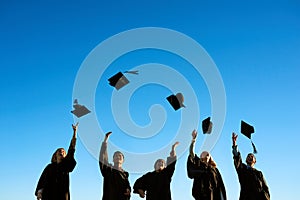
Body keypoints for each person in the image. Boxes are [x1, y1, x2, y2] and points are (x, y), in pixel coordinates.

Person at [35, 123, 78, 200]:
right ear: (55, 155)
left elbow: (71, 149)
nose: (61, 152)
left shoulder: (66, 166)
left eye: (63, 152)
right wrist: (39, 192)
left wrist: (75, 133)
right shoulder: (49, 167)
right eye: (59, 151)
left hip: (62, 195)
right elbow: (42, 180)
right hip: (49, 195)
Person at [187, 130, 227, 200]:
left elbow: (220, 185)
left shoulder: (214, 169)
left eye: (207, 154)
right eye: (203, 153)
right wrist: (193, 140)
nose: (206, 155)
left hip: (214, 196)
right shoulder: (199, 165)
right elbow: (191, 153)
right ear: (200, 157)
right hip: (202, 195)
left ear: (210, 158)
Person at [232, 132, 270, 200]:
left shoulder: (259, 173)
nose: (250, 157)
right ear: (246, 160)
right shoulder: (242, 169)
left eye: (252, 156)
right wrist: (234, 143)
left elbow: (265, 188)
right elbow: (237, 157)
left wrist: (265, 197)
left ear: (255, 161)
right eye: (248, 156)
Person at [99, 132, 131, 200]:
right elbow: (103, 158)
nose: (118, 157)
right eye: (115, 156)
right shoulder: (108, 170)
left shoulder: (125, 174)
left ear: (123, 160)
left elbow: (127, 187)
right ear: (113, 160)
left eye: (120, 156)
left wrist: (128, 190)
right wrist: (105, 141)